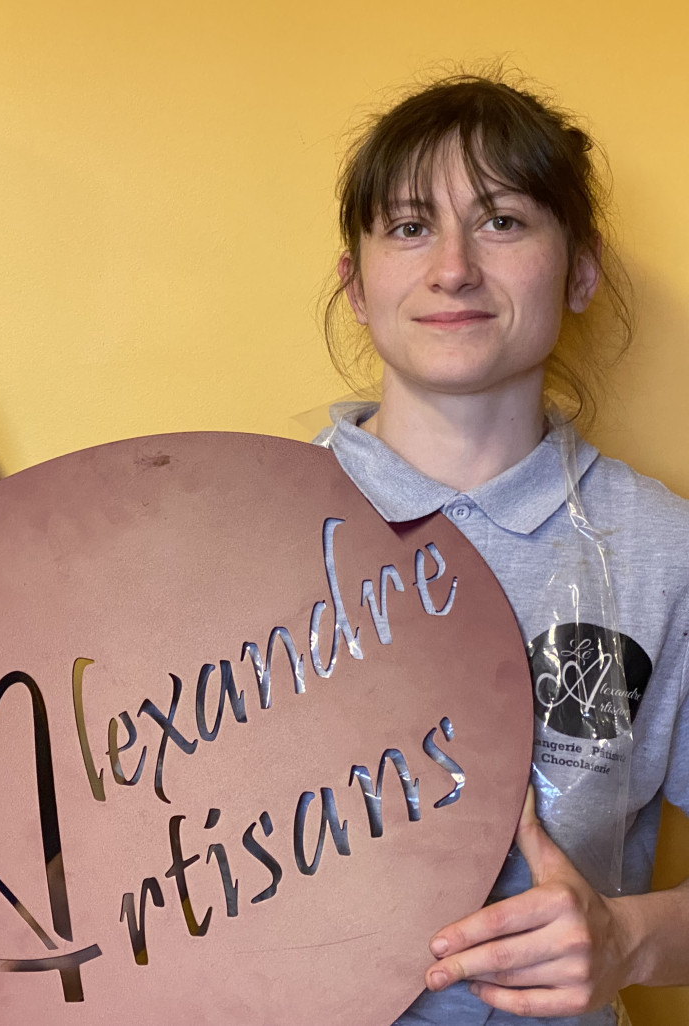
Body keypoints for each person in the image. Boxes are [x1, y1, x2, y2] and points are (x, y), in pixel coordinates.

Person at [318, 74, 689, 1024]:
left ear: (580, 272)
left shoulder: (665, 552)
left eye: (503, 221)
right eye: (408, 227)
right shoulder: (235, 524)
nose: (452, 268)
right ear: (355, 285)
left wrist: (629, 940)